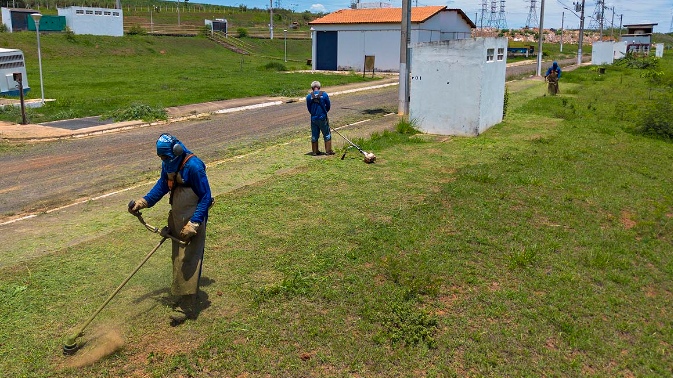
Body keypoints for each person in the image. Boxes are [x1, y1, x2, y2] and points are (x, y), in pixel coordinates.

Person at [128, 134, 212, 325]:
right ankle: (182, 293)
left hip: (193, 219)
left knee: (190, 259)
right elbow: (162, 186)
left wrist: (195, 223)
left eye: (165, 157)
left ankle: (188, 306)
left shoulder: (194, 166)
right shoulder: (169, 164)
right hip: (176, 216)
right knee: (178, 257)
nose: (163, 161)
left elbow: (206, 197)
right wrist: (144, 202)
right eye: (161, 158)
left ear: (176, 151)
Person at [306, 81, 334, 156]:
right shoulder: (324, 95)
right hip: (322, 117)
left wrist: (313, 114)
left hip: (313, 118)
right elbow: (328, 106)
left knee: (314, 134)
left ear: (312, 88)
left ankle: (315, 151)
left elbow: (309, 108)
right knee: (327, 133)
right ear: (319, 87)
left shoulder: (309, 96)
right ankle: (328, 151)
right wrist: (324, 113)